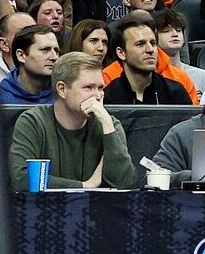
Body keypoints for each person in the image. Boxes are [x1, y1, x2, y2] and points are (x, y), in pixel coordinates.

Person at [8, 52, 133, 190]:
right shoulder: (33, 122)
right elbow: (21, 179)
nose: (97, 96)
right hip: (45, 209)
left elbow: (124, 184)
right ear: (62, 89)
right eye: (88, 88)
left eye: (100, 88)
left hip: (97, 210)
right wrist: (85, 186)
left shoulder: (109, 124)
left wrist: (108, 126)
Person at [100, 15, 193, 106]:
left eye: (153, 43)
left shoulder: (175, 93)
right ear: (121, 53)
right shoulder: (108, 97)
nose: (150, 50)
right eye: (140, 44)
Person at [0, 23, 60, 104]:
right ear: (21, 55)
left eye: (56, 50)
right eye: (45, 50)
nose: (54, 57)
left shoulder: (64, 93)